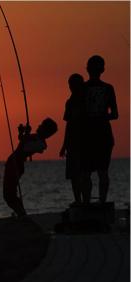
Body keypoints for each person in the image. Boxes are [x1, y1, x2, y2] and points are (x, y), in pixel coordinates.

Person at [3, 118, 58, 217]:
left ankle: (21, 214)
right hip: (13, 163)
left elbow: (25, 147)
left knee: (9, 195)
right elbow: (22, 140)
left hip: (16, 164)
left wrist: (26, 133)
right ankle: (20, 212)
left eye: (42, 126)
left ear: (46, 131)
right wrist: (22, 133)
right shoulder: (36, 137)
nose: (39, 126)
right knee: (10, 193)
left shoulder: (41, 143)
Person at [82, 55, 118, 204]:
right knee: (103, 172)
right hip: (104, 135)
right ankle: (102, 202)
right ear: (103, 69)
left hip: (89, 136)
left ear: (87, 69)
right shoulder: (108, 88)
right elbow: (115, 114)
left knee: (86, 173)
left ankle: (86, 203)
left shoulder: (82, 89)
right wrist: (102, 117)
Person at [59, 73, 86, 205]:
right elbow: (68, 125)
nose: (71, 88)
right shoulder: (69, 103)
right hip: (72, 144)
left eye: (73, 85)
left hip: (85, 142)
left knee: (84, 173)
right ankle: (78, 200)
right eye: (70, 85)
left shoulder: (87, 100)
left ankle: (85, 200)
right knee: (74, 175)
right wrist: (64, 146)